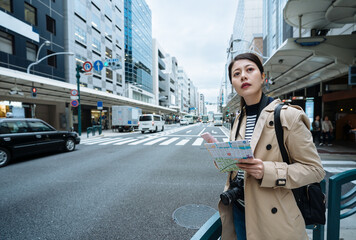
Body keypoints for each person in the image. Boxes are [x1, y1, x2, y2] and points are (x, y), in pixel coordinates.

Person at [218, 53, 325, 240]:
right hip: (239, 209)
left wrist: (267, 171)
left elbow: (315, 170)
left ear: (263, 77)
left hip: (274, 218)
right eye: (236, 74)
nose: (243, 76)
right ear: (233, 84)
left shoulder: (287, 116)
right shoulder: (237, 119)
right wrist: (221, 156)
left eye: (249, 70)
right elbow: (238, 167)